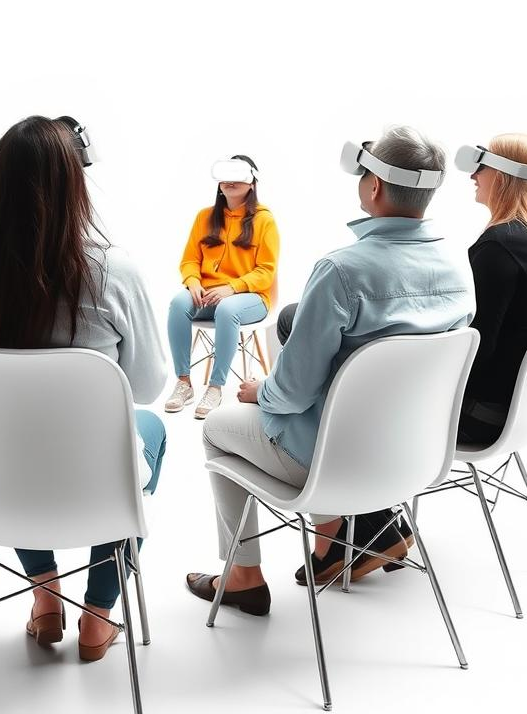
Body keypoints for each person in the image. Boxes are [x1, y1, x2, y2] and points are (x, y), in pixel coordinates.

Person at [186, 126, 474, 614]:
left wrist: (262, 393)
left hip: (334, 460)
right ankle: (344, 538)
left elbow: (292, 394)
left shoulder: (342, 271)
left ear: (374, 187)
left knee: (216, 429)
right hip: (414, 456)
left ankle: (243, 576)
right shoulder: (457, 267)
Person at [0, 115, 167, 661]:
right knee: (148, 430)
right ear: (75, 182)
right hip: (92, 481)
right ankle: (98, 617)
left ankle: (44, 598)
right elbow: (148, 387)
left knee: (15, 440)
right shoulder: (114, 271)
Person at [165, 155, 278, 419]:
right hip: (207, 295)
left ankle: (215, 387)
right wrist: (193, 282)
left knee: (227, 309)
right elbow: (189, 260)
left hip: (250, 298)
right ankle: (183, 382)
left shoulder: (264, 220)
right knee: (179, 303)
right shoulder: (205, 217)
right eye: (225, 176)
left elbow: (266, 272)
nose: (230, 181)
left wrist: (233, 287)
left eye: (238, 176)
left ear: (251, 182)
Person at [455, 135, 527, 444]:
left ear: (500, 175)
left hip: (481, 417)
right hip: (517, 416)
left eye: (480, 166)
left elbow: (479, 345)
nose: (473, 176)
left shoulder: (498, 246)